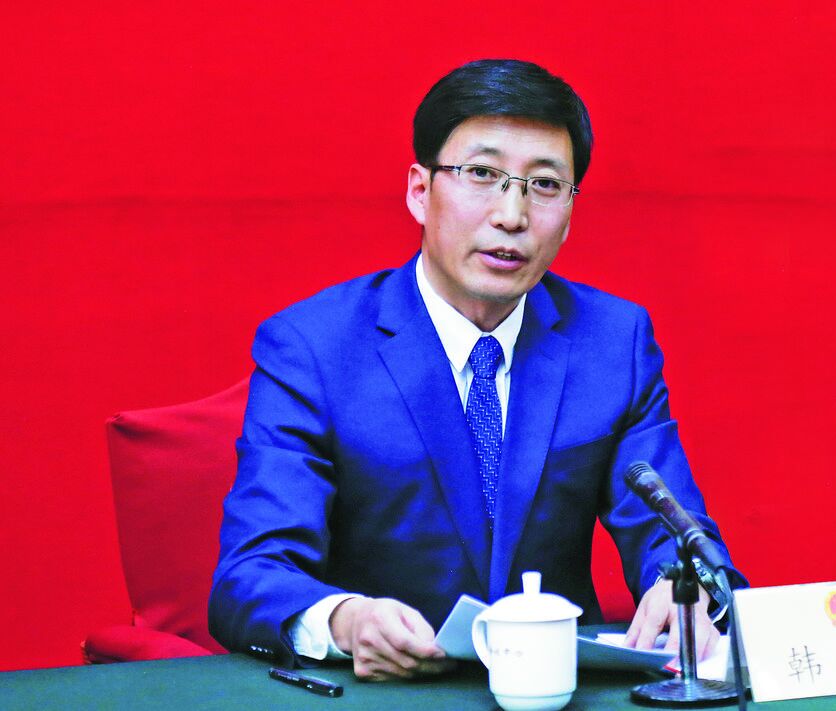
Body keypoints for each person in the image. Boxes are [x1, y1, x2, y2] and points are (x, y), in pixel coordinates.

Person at [209, 59, 745, 681]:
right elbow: (252, 572)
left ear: (571, 209)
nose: (512, 215)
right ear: (420, 192)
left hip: (557, 688)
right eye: (483, 175)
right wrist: (345, 620)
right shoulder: (314, 347)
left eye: (545, 185)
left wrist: (684, 589)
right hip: (384, 691)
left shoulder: (611, 341)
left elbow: (674, 533)